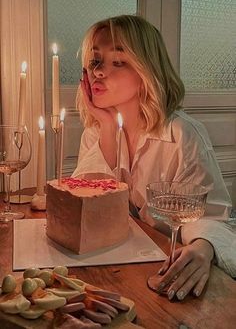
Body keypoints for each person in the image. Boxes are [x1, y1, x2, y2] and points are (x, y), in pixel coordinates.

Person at [72, 15, 236, 300]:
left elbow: (215, 217)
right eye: (95, 60)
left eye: (118, 61)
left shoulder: (183, 135)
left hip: (168, 272)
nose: (98, 72)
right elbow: (84, 207)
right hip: (120, 270)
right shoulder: (96, 131)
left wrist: (203, 246)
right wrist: (109, 130)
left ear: (147, 70)